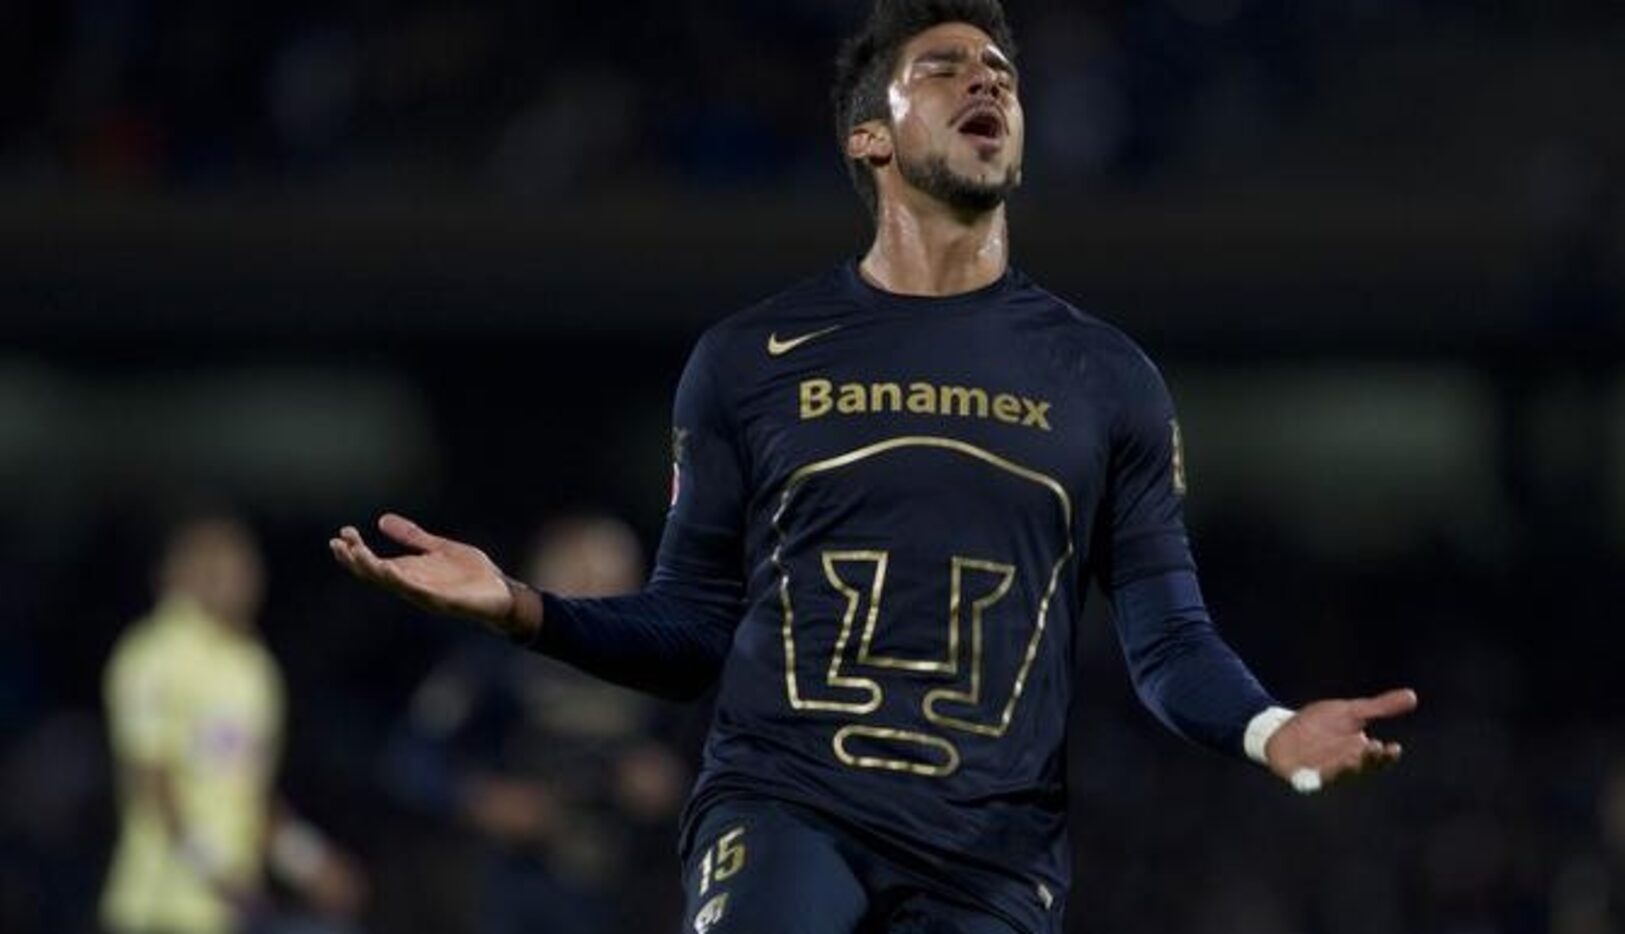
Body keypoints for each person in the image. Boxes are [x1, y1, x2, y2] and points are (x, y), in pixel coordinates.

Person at [329, 2, 1419, 930]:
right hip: (783, 805)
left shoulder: (1105, 376)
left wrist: (1269, 729)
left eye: (999, 69)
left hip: (992, 850)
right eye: (939, 67)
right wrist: (521, 607)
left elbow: (1166, 637)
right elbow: (689, 630)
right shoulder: (749, 360)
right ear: (869, 139)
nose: (983, 80)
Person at [380, 516, 686, 934]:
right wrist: (483, 799)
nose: (600, 597)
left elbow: (710, 770)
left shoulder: (660, 673)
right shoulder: (496, 663)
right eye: (584, 581)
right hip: (509, 887)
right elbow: (408, 760)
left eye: (617, 584)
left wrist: (668, 786)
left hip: (621, 892)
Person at [105, 515, 366, 934]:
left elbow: (252, 796)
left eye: (245, 570)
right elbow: (152, 782)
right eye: (220, 568)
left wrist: (311, 862)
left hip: (230, 912)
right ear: (184, 572)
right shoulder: (153, 653)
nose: (238, 582)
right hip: (160, 908)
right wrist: (217, 874)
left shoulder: (252, 667)